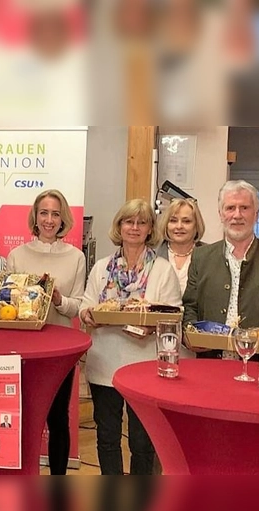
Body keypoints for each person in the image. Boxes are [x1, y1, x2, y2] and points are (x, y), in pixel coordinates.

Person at [79, 199, 182, 475]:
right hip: (104, 367)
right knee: (107, 437)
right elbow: (85, 306)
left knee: (142, 441)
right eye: (129, 221)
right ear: (120, 226)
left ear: (150, 229)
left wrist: (153, 325)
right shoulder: (101, 267)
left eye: (142, 222)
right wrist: (89, 314)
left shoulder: (162, 270)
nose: (134, 227)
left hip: (145, 368)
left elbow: (173, 315)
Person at [6, 189, 86, 475]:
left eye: (55, 213)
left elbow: (77, 307)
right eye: (44, 213)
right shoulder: (16, 256)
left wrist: (58, 300)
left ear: (63, 218)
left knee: (57, 418)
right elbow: (6, 304)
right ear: (35, 217)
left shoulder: (76, 257)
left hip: (59, 354)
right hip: (22, 352)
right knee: (24, 419)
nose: (49, 219)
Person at [183, 180, 259, 353]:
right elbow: (190, 307)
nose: (237, 215)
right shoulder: (201, 256)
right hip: (210, 363)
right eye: (230, 208)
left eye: (245, 208)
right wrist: (190, 335)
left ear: (256, 214)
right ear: (221, 214)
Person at [156, 197, 206, 295]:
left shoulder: (210, 256)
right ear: (166, 224)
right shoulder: (153, 255)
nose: (179, 226)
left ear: (196, 225)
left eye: (186, 221)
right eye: (173, 221)